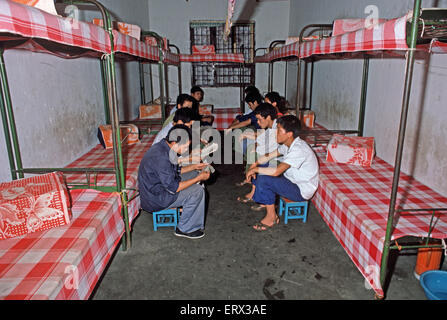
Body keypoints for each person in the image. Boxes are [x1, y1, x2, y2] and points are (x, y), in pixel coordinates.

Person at [245, 115, 319, 231]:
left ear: (289, 134)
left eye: (279, 130)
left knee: (265, 179)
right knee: (265, 164)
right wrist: (255, 164)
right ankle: (266, 202)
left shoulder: (299, 149)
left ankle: (271, 217)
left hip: (300, 190)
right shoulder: (288, 144)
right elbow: (270, 155)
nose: (276, 133)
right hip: (292, 180)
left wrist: (254, 170)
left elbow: (276, 172)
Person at [138, 124, 211, 239]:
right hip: (156, 199)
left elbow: (175, 171)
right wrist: (198, 178)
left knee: (193, 174)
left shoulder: (164, 147)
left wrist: (194, 167)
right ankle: (185, 228)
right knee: (197, 191)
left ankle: (188, 209)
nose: (187, 150)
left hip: (158, 189)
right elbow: (174, 187)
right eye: (186, 147)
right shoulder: (161, 157)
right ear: (174, 143)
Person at [236, 103, 279, 200]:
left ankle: (258, 194)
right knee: (254, 152)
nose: (258, 123)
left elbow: (268, 148)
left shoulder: (277, 128)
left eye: (260, 119)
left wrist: (255, 148)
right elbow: (261, 139)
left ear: (268, 117)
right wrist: (255, 145)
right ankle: (253, 189)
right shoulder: (272, 126)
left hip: (279, 159)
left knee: (258, 158)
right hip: (272, 155)